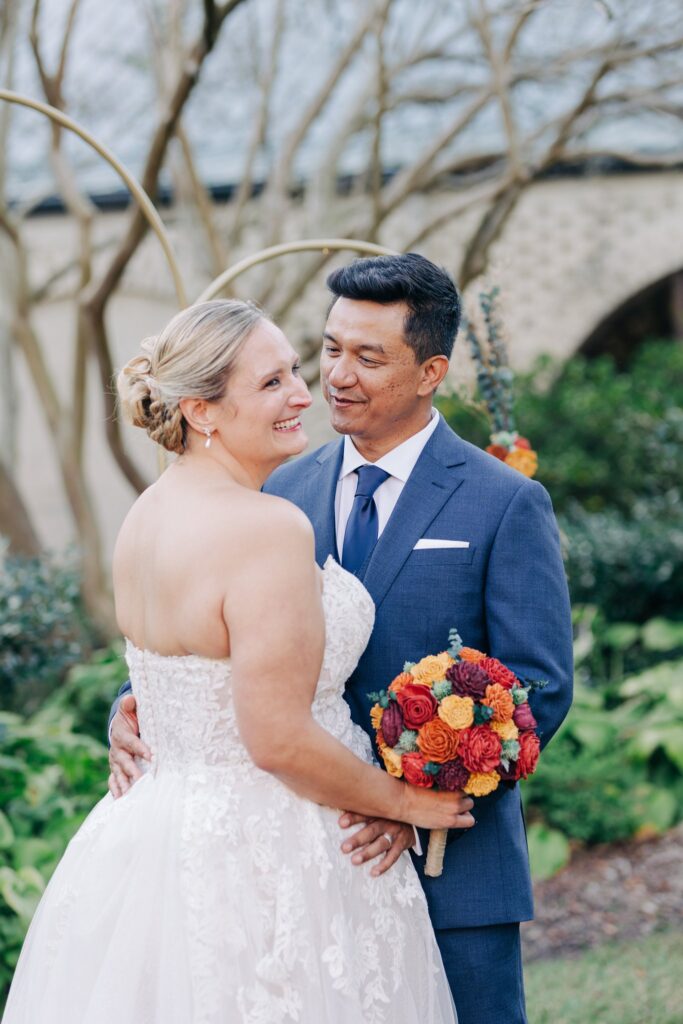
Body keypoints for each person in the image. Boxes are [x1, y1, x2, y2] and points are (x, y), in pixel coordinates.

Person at [109, 254, 574, 1023]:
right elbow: (217, 633)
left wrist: (409, 800)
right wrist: (135, 705)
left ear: (430, 371)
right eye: (328, 349)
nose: (336, 377)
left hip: (449, 862)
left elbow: (537, 687)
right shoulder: (274, 483)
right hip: (292, 863)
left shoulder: (504, 503)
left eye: (368, 357)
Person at [3, 299, 472, 1023]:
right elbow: (276, 736)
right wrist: (405, 804)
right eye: (271, 383)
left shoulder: (145, 515)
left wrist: (131, 711)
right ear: (202, 412)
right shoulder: (266, 528)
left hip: (152, 836)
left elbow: (183, 677)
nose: (302, 395)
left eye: (292, 370)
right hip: (277, 847)